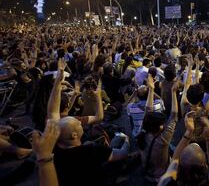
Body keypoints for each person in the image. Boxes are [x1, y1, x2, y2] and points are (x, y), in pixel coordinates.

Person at [47, 58, 130, 186]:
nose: (80, 122)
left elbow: (52, 113)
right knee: (119, 142)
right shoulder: (90, 151)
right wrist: (127, 142)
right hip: (98, 178)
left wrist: (58, 82)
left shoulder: (54, 147)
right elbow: (121, 153)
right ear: (74, 135)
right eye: (77, 123)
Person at [158, 112, 209, 186]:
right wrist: (208, 137)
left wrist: (189, 131)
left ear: (179, 167)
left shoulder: (165, 183)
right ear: (206, 166)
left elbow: (175, 159)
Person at [135, 75, 179, 184]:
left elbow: (148, 112)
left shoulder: (142, 132)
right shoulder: (163, 140)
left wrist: (151, 90)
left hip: (146, 173)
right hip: (162, 177)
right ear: (160, 126)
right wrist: (173, 92)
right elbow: (173, 116)